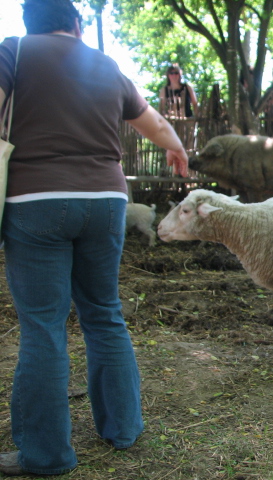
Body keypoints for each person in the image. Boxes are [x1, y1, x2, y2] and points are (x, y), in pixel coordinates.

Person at [0, 0, 188, 476]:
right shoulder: (105, 64)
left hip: (35, 200)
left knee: (43, 326)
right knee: (104, 313)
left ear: (29, 23)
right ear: (77, 24)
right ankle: (123, 428)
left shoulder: (14, 52)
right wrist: (176, 148)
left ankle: (45, 455)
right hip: (107, 202)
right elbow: (155, 123)